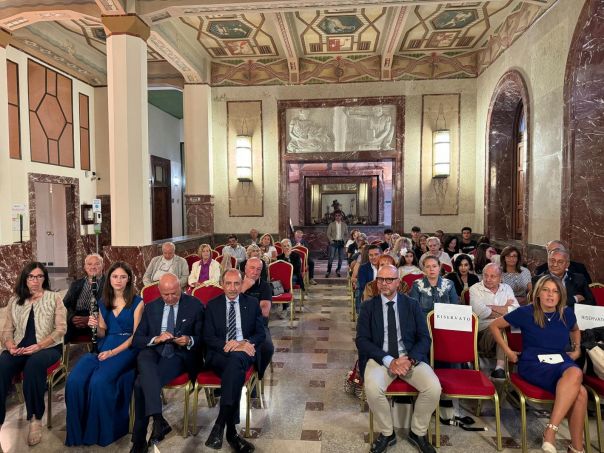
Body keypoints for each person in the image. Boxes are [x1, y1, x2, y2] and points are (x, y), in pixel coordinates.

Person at [489, 276, 587, 453]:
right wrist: (509, 352)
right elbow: (495, 326)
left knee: (579, 388)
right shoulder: (526, 312)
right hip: (533, 363)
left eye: (555, 291)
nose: (550, 295)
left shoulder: (567, 313)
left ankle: (566, 441)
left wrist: (577, 348)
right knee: (579, 385)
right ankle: (560, 437)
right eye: (546, 290)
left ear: (560, 295)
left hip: (561, 362)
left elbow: (575, 329)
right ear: (538, 293)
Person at [357, 264, 440, 453]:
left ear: (398, 282)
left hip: (409, 358)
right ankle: (387, 433)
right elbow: (362, 340)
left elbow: (424, 338)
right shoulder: (368, 306)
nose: (384, 283)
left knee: (434, 387)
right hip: (381, 359)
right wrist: (388, 360)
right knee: (372, 388)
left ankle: (418, 431)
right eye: (380, 279)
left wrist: (409, 360)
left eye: (389, 280)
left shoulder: (411, 304)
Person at [65, 261, 143, 446]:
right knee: (75, 380)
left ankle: (102, 432)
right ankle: (78, 432)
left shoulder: (138, 302)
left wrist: (112, 352)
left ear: (129, 279)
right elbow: (102, 331)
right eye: (115, 276)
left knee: (99, 381)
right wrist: (94, 325)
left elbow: (135, 336)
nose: (118, 280)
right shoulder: (103, 302)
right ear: (109, 279)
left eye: (123, 277)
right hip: (105, 345)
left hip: (126, 349)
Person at [130, 273, 204, 453]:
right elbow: (137, 340)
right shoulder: (151, 307)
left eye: (174, 293)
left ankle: (140, 440)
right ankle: (158, 419)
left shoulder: (194, 305)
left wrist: (189, 340)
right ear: (159, 291)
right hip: (154, 351)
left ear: (181, 288)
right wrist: (156, 339)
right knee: (143, 356)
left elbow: (204, 338)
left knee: (140, 384)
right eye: (166, 294)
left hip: (178, 355)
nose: (170, 298)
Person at [0, 262, 66, 446]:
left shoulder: (54, 298)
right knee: (1, 366)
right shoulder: (15, 300)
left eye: (39, 276)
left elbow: (61, 329)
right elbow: (6, 331)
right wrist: (10, 345)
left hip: (48, 348)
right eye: (31, 276)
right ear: (25, 279)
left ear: (45, 278)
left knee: (33, 365)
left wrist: (39, 346)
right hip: (19, 347)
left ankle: (35, 419)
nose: (35, 280)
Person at [204, 269, 265, 453]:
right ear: (222, 284)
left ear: (241, 284)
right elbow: (207, 337)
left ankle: (221, 425)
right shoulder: (212, 305)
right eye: (228, 283)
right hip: (219, 354)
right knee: (234, 367)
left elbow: (261, 333)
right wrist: (227, 345)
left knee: (236, 361)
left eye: (236, 283)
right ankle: (230, 433)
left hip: (244, 352)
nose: (232, 288)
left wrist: (243, 343)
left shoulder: (252, 303)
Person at [469, 263, 518, 379]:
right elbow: (481, 312)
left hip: (506, 328)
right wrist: (505, 308)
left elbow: (516, 311)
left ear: (500, 278)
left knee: (517, 327)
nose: (488, 279)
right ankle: (500, 368)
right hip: (483, 332)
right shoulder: (475, 289)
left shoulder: (507, 288)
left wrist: (490, 307)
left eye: (493, 276)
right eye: (485, 275)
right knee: (499, 327)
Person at [240, 258, 274, 379]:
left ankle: (257, 375)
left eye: (258, 269)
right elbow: (228, 304)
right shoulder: (235, 284)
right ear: (245, 269)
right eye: (252, 268)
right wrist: (244, 288)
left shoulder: (265, 286)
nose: (255, 272)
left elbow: (264, 312)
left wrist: (242, 308)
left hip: (258, 326)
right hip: (236, 325)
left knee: (267, 348)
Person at [62, 253, 105, 342]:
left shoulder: (109, 284)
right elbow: (64, 305)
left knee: (99, 338)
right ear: (85, 267)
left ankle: (98, 354)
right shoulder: (76, 284)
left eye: (97, 264)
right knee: (59, 334)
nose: (93, 267)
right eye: (89, 264)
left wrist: (90, 319)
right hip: (76, 319)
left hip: (98, 320)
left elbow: (111, 308)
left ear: (103, 266)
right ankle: (58, 354)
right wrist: (72, 318)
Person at [276, 239, 304, 319]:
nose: (287, 248)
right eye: (284, 246)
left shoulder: (296, 256)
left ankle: (284, 308)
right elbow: (278, 270)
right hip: (283, 278)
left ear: (291, 246)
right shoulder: (279, 257)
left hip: (294, 276)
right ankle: (285, 302)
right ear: (282, 247)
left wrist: (288, 260)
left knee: (285, 282)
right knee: (282, 282)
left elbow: (297, 270)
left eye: (288, 246)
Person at [356, 245, 382, 311]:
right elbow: (363, 286)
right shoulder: (363, 268)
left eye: (376, 254)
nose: (374, 257)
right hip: (369, 296)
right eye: (371, 255)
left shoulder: (385, 267)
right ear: (368, 256)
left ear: (380, 255)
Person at [325, 211, 348, 278]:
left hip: (341, 242)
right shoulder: (331, 224)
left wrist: (344, 240)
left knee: (341, 258)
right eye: (336, 216)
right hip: (333, 242)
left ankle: (338, 270)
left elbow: (346, 234)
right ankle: (328, 271)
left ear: (341, 217)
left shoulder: (344, 224)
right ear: (334, 217)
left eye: (339, 215)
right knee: (331, 257)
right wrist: (331, 241)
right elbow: (328, 234)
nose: (337, 217)